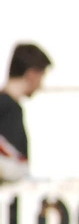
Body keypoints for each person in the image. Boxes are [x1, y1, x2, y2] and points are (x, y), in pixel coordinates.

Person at [0, 43, 50, 182]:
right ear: (32, 74)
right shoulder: (6, 106)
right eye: (42, 76)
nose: (41, 85)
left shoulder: (11, 107)